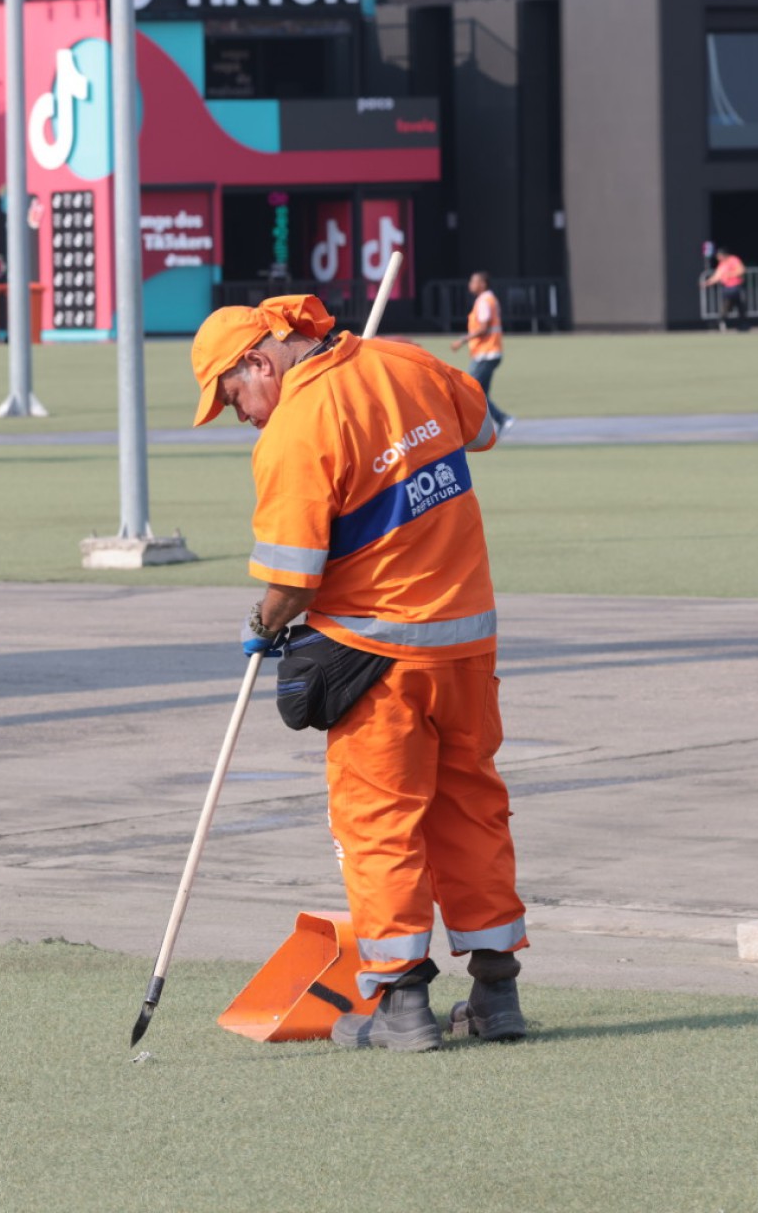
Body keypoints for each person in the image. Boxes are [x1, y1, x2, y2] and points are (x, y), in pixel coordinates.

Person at [188, 294, 529, 1053]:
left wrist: (261, 625)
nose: (239, 413)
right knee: (470, 805)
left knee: (380, 826)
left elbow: (295, 579)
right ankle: (496, 991)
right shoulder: (404, 362)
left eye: (232, 394)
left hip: (378, 658)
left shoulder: (294, 433)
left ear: (259, 360)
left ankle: (402, 1004)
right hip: (467, 645)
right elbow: (481, 431)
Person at [449, 271, 512, 434]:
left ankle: (502, 419)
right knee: (480, 394)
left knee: (468, 389)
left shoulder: (484, 301)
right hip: (488, 352)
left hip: (486, 353)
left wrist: (462, 340)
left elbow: (483, 328)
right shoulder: (486, 299)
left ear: (483, 284)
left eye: (474, 282)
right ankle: (500, 421)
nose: (471, 285)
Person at [703, 247, 749, 332]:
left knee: (741, 307)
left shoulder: (733, 260)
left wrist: (730, 274)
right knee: (725, 307)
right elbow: (717, 276)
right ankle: (719, 323)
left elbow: (741, 270)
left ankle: (743, 324)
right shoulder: (722, 264)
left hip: (737, 288)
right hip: (728, 289)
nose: (718, 258)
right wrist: (707, 283)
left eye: (719, 256)